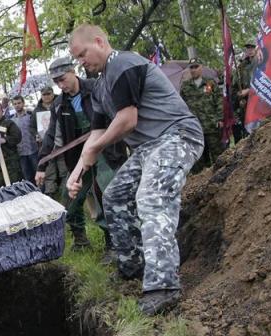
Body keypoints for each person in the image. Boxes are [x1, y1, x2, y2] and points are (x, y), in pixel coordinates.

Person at [67, 24, 204, 315]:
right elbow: (96, 133)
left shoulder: (123, 63)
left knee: (151, 197)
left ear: (99, 41)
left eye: (82, 54)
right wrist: (77, 171)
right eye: (76, 59)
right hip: (147, 148)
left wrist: (94, 149)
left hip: (177, 135)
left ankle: (163, 286)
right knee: (114, 196)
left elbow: (127, 120)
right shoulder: (102, 84)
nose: (81, 63)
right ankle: (133, 266)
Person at [36, 57, 127, 252]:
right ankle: (80, 242)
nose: (61, 85)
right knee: (69, 198)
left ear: (73, 71)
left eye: (63, 79)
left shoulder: (95, 88)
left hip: (106, 151)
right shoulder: (59, 105)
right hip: (79, 157)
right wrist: (41, 166)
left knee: (106, 194)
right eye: (56, 82)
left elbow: (119, 116)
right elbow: (52, 135)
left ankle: (113, 245)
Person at [179, 58, 223, 171]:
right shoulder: (185, 86)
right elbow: (181, 107)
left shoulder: (210, 83)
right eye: (191, 67)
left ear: (201, 67)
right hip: (195, 129)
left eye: (196, 67)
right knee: (199, 161)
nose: (193, 70)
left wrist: (220, 119)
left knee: (218, 156)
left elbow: (219, 101)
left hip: (211, 125)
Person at [232, 40, 257, 142]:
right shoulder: (241, 66)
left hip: (260, 102)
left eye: (252, 48)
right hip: (246, 104)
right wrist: (239, 96)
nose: (250, 50)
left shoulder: (262, 62)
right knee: (248, 133)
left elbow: (267, 82)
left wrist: (249, 91)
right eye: (248, 48)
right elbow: (235, 87)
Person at [11, 95, 39, 182]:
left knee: (38, 172)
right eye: (15, 104)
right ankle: (31, 193)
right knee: (27, 175)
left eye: (19, 103)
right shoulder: (12, 121)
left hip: (33, 149)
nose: (17, 105)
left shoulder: (30, 116)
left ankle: (43, 193)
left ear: (23, 103)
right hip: (21, 152)